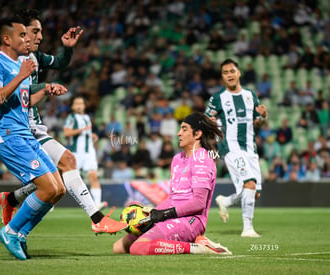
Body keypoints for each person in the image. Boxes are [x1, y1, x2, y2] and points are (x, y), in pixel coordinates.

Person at [0, 9, 126, 235]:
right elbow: (13, 91)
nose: (40, 37)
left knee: (58, 172)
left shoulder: (34, 57)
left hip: (33, 126)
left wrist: (68, 47)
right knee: (63, 166)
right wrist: (45, 87)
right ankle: (96, 218)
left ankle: (13, 201)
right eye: (35, 31)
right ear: (21, 33)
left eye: (40, 32)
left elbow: (61, 63)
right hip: (20, 127)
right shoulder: (10, 61)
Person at [0, 16, 68, 260]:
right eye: (22, 35)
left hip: (25, 134)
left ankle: (20, 234)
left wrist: (46, 91)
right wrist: (21, 76)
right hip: (9, 136)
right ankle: (9, 231)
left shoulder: (21, 63)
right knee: (47, 187)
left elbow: (24, 102)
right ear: (7, 39)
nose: (27, 39)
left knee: (59, 189)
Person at [112, 113, 231, 255]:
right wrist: (151, 215)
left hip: (191, 220)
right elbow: (173, 198)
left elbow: (199, 202)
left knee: (138, 248)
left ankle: (198, 248)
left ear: (197, 134)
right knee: (119, 248)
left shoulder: (202, 160)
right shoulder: (177, 159)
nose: (178, 133)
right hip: (171, 216)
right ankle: (195, 241)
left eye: (184, 129)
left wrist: (165, 214)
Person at [205, 58, 268, 238]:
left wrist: (263, 116)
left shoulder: (250, 95)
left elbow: (258, 124)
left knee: (253, 193)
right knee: (249, 183)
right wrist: (209, 125)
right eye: (225, 73)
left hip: (250, 149)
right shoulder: (217, 98)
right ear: (222, 77)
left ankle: (225, 200)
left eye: (232, 71)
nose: (229, 75)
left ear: (238, 73)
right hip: (231, 148)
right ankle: (247, 228)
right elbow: (206, 121)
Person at [64, 95, 108, 210]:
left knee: (93, 176)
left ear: (84, 106)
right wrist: (82, 130)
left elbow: (85, 134)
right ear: (73, 106)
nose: (79, 106)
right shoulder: (71, 118)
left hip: (89, 153)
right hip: (76, 154)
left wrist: (91, 136)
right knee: (69, 180)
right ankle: (50, 201)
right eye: (76, 103)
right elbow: (67, 133)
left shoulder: (87, 118)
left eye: (81, 103)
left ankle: (97, 203)